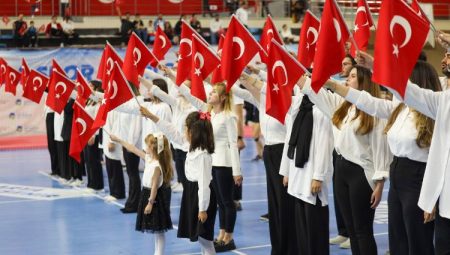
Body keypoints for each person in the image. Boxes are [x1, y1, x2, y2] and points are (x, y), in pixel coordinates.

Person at [325, 61, 438, 255]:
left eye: (407, 80)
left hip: (419, 176)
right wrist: (334, 85)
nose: (402, 85)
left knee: (418, 238)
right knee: (398, 238)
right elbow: (370, 103)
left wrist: (432, 198)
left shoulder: (433, 112)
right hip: (398, 173)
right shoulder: (400, 108)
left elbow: (439, 157)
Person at [298, 66, 391, 255]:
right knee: (350, 228)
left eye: (353, 76)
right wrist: (296, 73)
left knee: (362, 230)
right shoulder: (342, 106)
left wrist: (380, 184)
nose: (347, 79)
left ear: (364, 82)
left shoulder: (375, 111)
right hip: (340, 169)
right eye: (348, 76)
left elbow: (381, 149)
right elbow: (313, 91)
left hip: (361, 173)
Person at [160, 66, 242, 252]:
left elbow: (233, 144)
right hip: (210, 161)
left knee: (227, 201)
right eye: (211, 91)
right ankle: (220, 233)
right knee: (218, 201)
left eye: (214, 92)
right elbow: (188, 95)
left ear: (222, 98)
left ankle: (228, 236)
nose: (210, 93)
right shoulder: (208, 111)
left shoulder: (229, 117)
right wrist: (172, 75)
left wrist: (236, 171)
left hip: (224, 163)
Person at [233, 70, 298, 254]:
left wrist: (247, 75)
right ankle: (278, 247)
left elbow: (260, 87)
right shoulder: (263, 102)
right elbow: (243, 91)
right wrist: (237, 72)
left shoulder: (289, 103)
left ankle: (290, 247)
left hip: (283, 152)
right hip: (269, 152)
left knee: (285, 201)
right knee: (274, 203)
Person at [140, 109, 217, 255]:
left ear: (193, 133)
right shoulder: (190, 147)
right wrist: (152, 117)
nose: (183, 132)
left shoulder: (203, 155)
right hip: (191, 192)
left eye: (186, 129)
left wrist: (202, 208)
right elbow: (172, 132)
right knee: (200, 237)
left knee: (205, 239)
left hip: (201, 197)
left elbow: (204, 185)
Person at [279, 91, 334, 255]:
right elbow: (290, 140)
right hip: (297, 176)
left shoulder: (322, 110)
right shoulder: (299, 107)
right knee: (302, 231)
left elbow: (325, 145)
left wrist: (319, 176)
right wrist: (287, 171)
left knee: (315, 231)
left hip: (312, 178)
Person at [112, 133, 173, 255]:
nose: (145, 147)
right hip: (147, 193)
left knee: (159, 229)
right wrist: (119, 140)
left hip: (154, 197)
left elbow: (155, 186)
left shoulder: (157, 166)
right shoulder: (149, 158)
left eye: (147, 145)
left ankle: (159, 253)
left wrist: (150, 203)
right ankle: (157, 252)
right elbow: (133, 149)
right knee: (156, 229)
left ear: (154, 148)